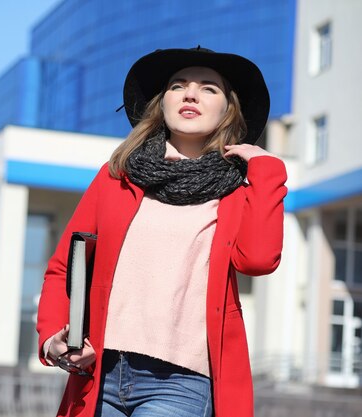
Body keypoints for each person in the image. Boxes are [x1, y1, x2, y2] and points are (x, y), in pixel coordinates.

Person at [35, 46, 288, 417]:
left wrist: (267, 170)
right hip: (99, 375)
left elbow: (258, 260)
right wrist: (53, 338)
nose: (190, 94)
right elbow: (64, 268)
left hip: (181, 383)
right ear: (162, 103)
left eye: (209, 88)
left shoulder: (238, 191)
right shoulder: (116, 178)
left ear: (228, 110)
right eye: (178, 85)